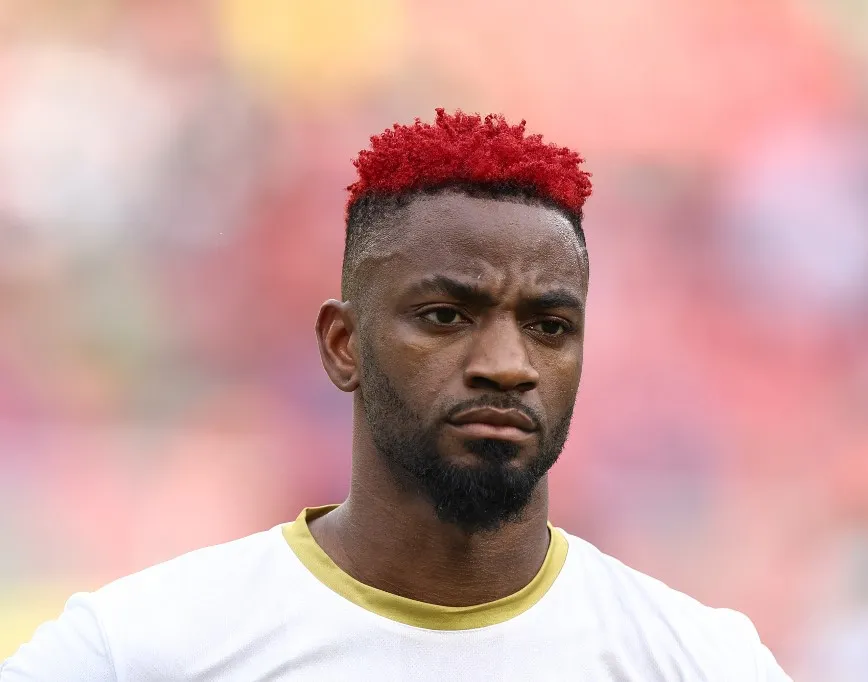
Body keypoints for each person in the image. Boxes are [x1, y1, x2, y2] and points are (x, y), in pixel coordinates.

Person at [2, 109, 792, 681]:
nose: (506, 365)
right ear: (343, 345)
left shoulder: (701, 660)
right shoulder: (145, 650)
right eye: (447, 316)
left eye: (549, 326)